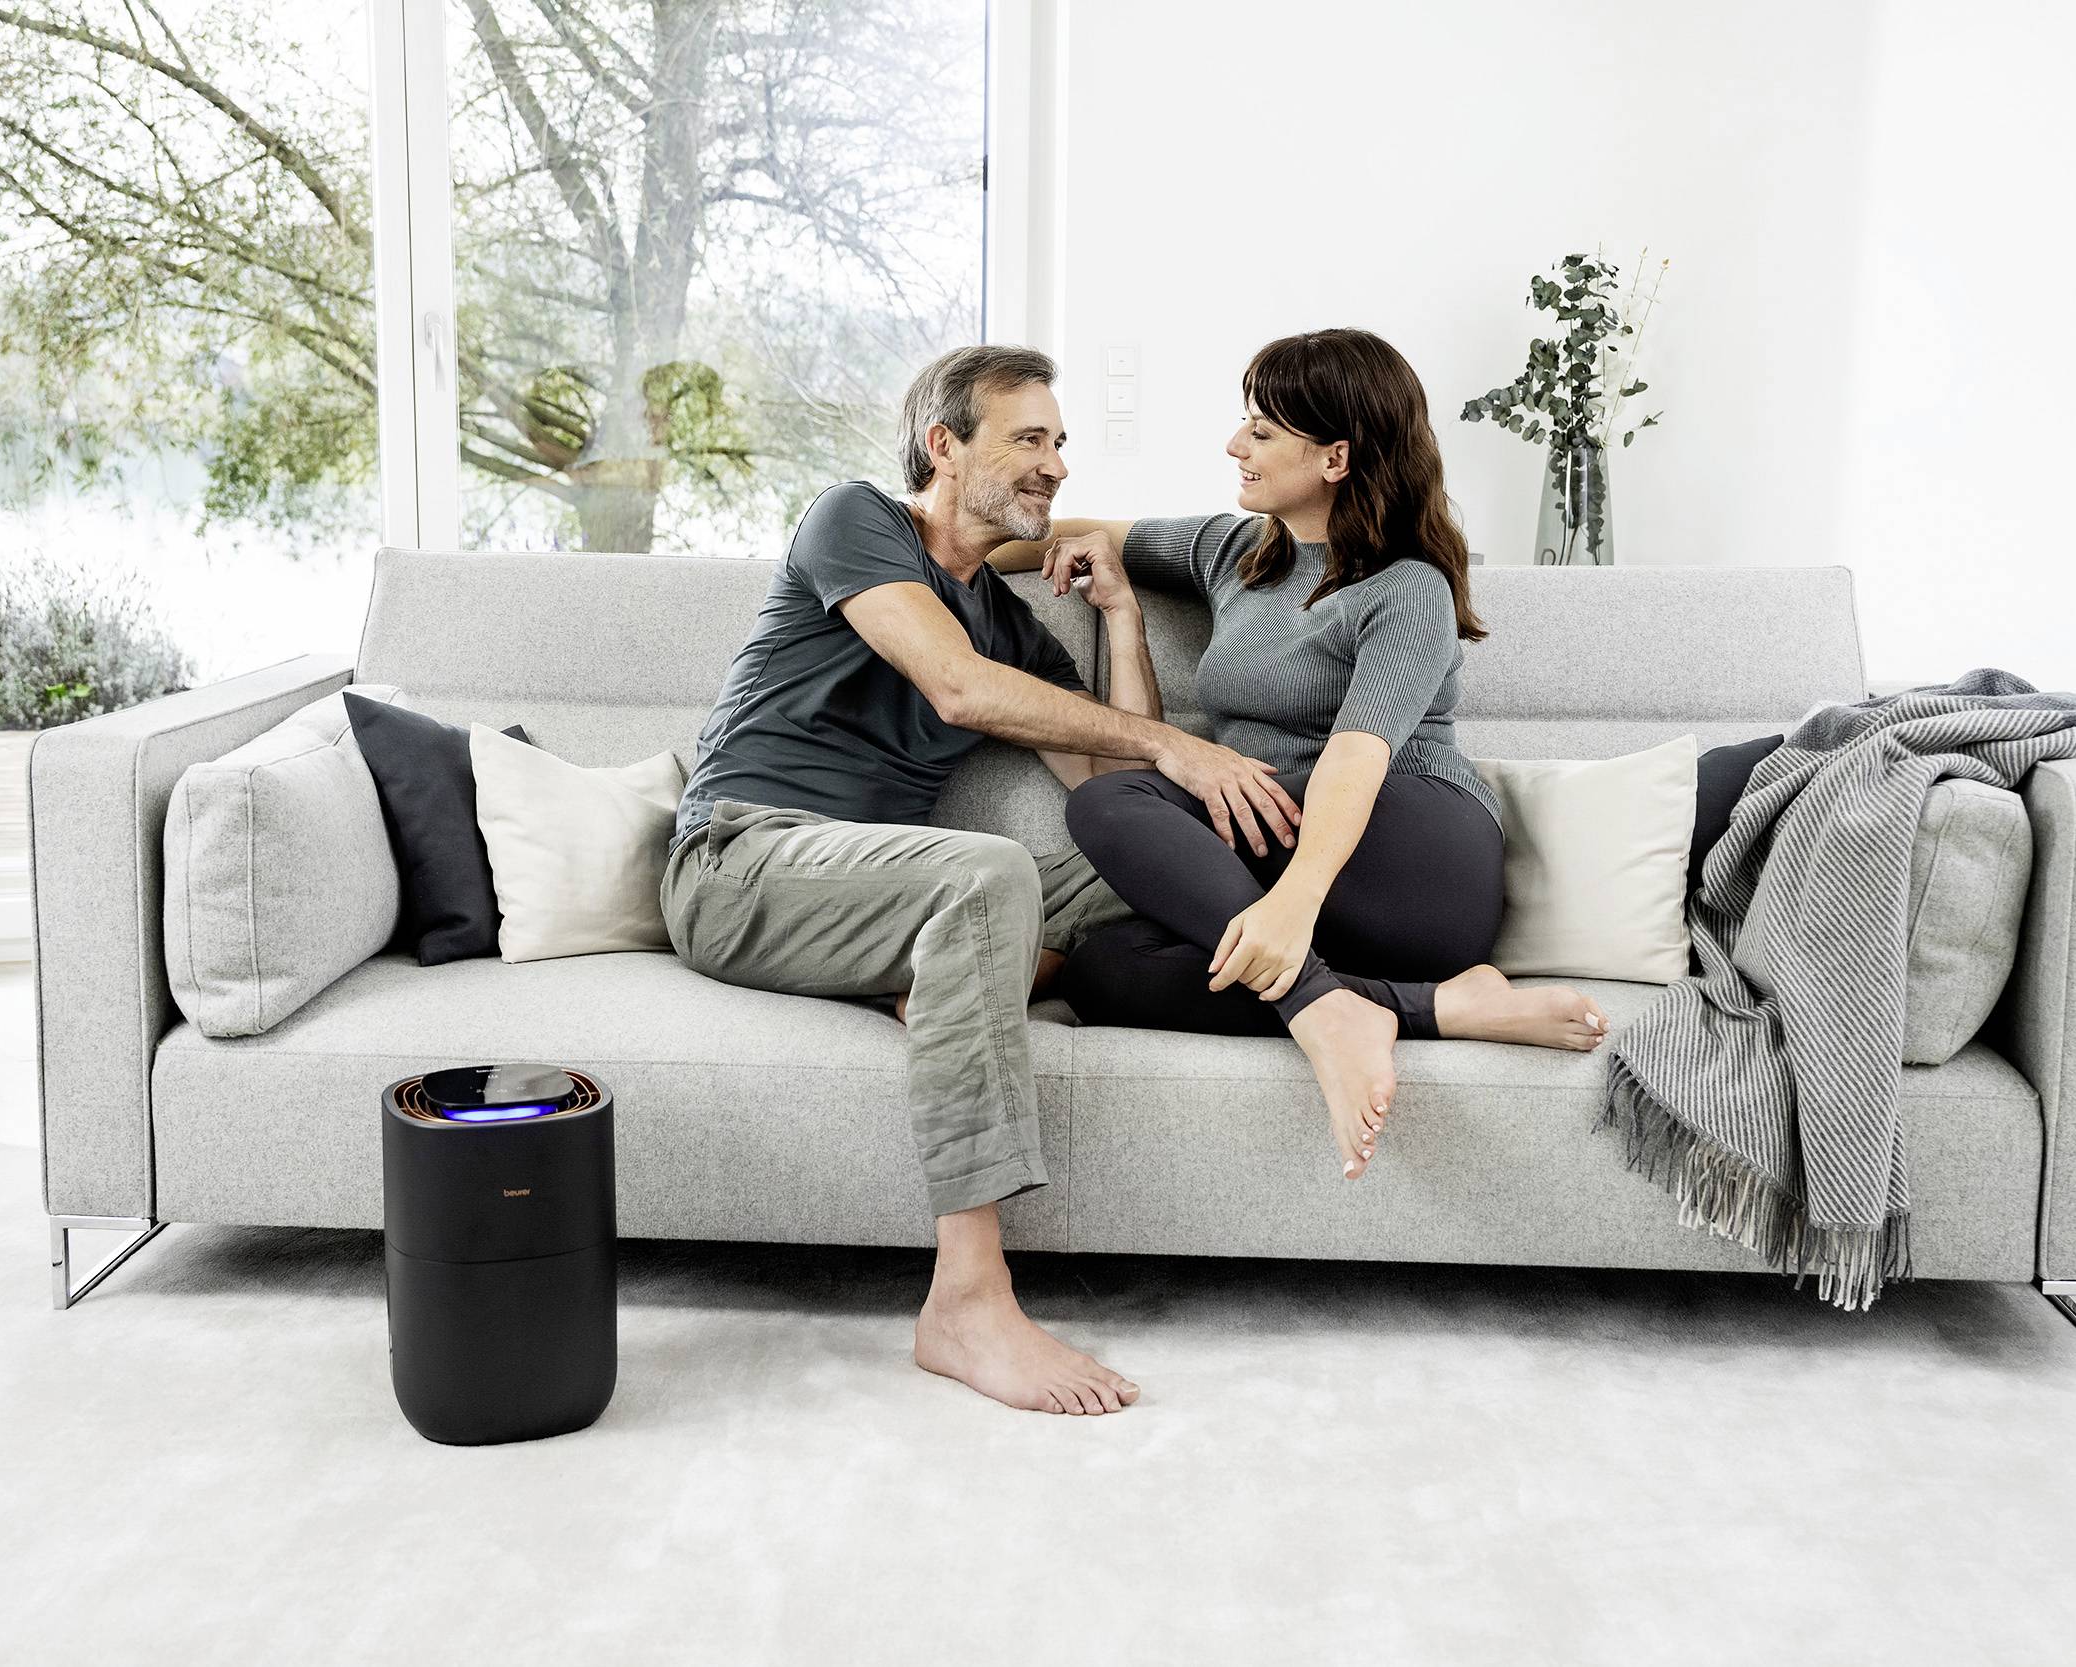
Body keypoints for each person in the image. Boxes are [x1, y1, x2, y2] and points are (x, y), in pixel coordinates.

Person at [663, 344, 1367, 1417]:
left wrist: (1123, 618)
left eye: (1060, 443)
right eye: (1028, 439)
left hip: (875, 896)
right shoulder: (853, 519)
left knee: (1142, 856)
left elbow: (1105, 784)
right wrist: (1180, 749)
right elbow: (952, 688)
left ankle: (949, 986)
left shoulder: (1010, 625)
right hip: (742, 859)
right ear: (944, 446)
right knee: (985, 874)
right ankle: (967, 1299)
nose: (1056, 468)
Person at [990, 328, 1612, 1183]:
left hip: (1407, 854)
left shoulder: (1407, 588)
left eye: (1263, 431)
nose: (1235, 445)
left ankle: (1320, 995)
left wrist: (1292, 900)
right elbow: (1064, 533)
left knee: (1106, 803)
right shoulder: (1230, 551)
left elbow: (1357, 758)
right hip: (1285, 857)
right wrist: (945, 549)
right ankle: (1417, 1008)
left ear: (1336, 457)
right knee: (1107, 972)